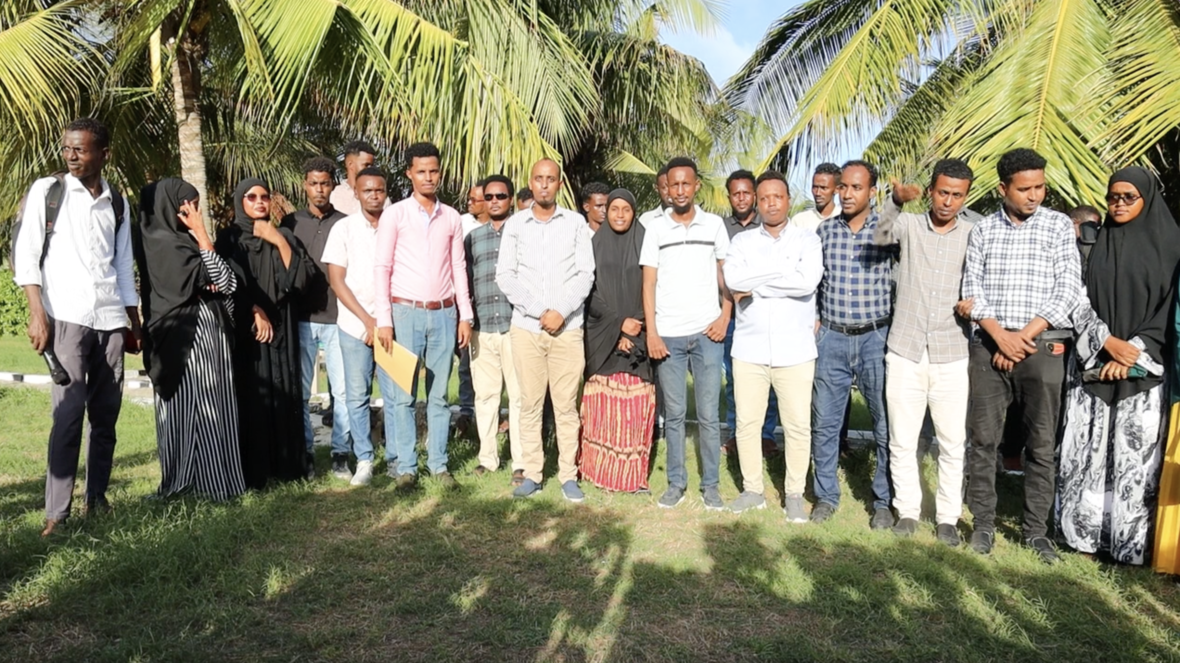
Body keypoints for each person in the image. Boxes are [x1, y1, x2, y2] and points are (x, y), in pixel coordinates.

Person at [13, 118, 141, 536]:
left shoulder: (116, 202)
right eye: (67, 148)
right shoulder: (47, 192)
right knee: (68, 415)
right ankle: (57, 513)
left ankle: (97, 500)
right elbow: (28, 255)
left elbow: (122, 266)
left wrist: (132, 321)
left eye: (80, 150)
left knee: (105, 418)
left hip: (108, 320)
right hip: (65, 317)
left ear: (104, 153)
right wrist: (37, 313)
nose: (71, 156)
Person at [960, 148, 1082, 563]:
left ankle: (1035, 531)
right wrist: (999, 337)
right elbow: (971, 292)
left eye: (1040, 187)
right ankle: (983, 526)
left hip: (1041, 348)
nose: (1035, 196)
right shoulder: (983, 231)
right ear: (1002, 189)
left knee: (1041, 444)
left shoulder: (1058, 227)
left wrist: (1021, 339)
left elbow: (1067, 290)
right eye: (1025, 188)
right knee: (983, 441)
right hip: (989, 350)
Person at [1057, 168, 1180, 565]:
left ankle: (1128, 546)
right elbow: (1075, 298)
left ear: (1147, 198)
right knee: (1088, 453)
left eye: (1129, 197)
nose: (1119, 204)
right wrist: (1105, 343)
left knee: (1133, 460)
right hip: (1094, 366)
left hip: (1143, 371)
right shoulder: (1094, 244)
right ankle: (1083, 538)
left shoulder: (1172, 246)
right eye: (1113, 197)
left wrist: (1132, 354)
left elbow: (1171, 311)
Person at [874, 159, 976, 545]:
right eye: (943, 192)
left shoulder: (973, 233)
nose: (948, 201)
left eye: (957, 195)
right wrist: (895, 202)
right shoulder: (910, 225)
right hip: (905, 348)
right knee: (903, 439)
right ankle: (908, 511)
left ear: (965, 197)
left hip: (951, 350)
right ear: (931, 191)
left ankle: (948, 516)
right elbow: (880, 236)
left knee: (951, 442)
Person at [135, 178, 246, 501]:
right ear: (172, 206)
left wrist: (204, 264)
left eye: (196, 206)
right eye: (189, 206)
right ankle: (197, 483)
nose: (193, 212)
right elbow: (224, 280)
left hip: (192, 333)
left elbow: (221, 283)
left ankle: (209, 483)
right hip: (190, 334)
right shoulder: (172, 244)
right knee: (195, 408)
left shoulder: (161, 241)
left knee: (204, 407)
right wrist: (202, 236)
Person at [723, 171, 823, 519]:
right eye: (763, 198)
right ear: (757, 201)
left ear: (788, 200)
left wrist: (759, 282)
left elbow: (807, 281)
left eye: (777, 197)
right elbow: (733, 278)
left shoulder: (807, 241)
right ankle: (753, 490)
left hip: (794, 351)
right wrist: (782, 275)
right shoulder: (743, 243)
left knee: (796, 425)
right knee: (747, 424)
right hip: (748, 350)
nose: (770, 204)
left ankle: (793, 492)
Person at [374, 142, 473, 491]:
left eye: (433, 171)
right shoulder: (395, 215)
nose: (428, 177)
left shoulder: (451, 217)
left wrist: (465, 315)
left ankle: (439, 465)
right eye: (421, 171)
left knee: (438, 396)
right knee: (402, 396)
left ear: (440, 172)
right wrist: (384, 319)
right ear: (409, 174)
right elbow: (382, 267)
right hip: (404, 314)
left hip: (444, 314)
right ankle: (406, 468)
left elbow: (459, 268)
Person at [496, 158, 595, 501]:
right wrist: (541, 312)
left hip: (568, 330)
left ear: (558, 184)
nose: (543, 185)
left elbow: (585, 274)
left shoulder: (576, 224)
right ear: (531, 181)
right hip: (526, 328)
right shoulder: (515, 225)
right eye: (538, 178)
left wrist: (561, 312)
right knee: (529, 404)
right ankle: (533, 473)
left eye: (550, 179)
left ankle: (568, 475)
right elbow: (505, 275)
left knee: (566, 406)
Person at [641, 157, 732, 510]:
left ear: (696, 187)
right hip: (670, 336)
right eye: (674, 184)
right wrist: (653, 332)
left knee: (709, 415)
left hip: (707, 334)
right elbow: (648, 283)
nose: (680, 191)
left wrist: (725, 316)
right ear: (668, 187)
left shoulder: (714, 226)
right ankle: (676, 483)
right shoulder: (656, 228)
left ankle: (711, 486)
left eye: (686, 184)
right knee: (675, 416)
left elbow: (726, 275)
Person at [811, 160, 897, 529]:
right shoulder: (824, 231)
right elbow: (815, 281)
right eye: (842, 187)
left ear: (871, 192)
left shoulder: (886, 229)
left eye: (855, 188)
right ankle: (826, 497)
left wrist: (897, 204)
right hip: (832, 337)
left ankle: (882, 501)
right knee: (826, 423)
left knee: (883, 424)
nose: (846, 194)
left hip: (875, 338)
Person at [217, 178, 312, 489]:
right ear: (239, 202)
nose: (260, 202)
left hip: (282, 323)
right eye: (251, 197)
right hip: (246, 329)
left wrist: (279, 240)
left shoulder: (282, 235)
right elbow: (227, 285)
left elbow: (297, 281)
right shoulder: (228, 239)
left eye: (265, 197)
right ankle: (254, 471)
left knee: (284, 391)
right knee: (252, 395)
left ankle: (287, 467)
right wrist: (254, 310)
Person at [322, 167, 395, 487]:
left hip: (391, 325)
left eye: (379, 190)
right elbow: (336, 280)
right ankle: (364, 458)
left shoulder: (397, 225)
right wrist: (368, 321)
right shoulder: (343, 228)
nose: (374, 195)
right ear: (356, 193)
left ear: (386, 191)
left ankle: (396, 459)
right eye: (367, 191)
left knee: (395, 395)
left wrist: (383, 321)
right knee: (356, 396)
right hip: (353, 325)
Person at [580, 188, 656, 493]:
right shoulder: (592, 246)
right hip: (601, 336)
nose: (620, 215)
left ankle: (631, 477)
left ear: (634, 212)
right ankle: (599, 472)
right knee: (603, 407)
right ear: (605, 212)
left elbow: (652, 287)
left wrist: (631, 328)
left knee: (634, 408)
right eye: (614, 209)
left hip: (639, 332)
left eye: (626, 209)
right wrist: (616, 326)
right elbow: (588, 291)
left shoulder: (646, 241)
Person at [282, 157, 350, 480]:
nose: (319, 189)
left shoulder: (347, 223)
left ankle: (340, 454)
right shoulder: (290, 223)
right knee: (301, 392)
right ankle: (306, 453)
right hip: (302, 319)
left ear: (333, 185)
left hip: (339, 318)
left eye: (325, 183)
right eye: (313, 183)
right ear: (305, 185)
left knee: (343, 390)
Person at [466, 175, 524, 482]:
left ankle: (521, 462)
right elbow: (465, 283)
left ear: (511, 199)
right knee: (485, 397)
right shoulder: (473, 239)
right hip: (483, 327)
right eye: (489, 197)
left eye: (501, 195)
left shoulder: (524, 235)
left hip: (517, 328)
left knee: (519, 397)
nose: (495, 201)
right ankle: (487, 459)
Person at [720, 169, 778, 458]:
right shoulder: (721, 228)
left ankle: (766, 435)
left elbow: (770, 273)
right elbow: (720, 273)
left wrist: (749, 285)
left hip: (763, 314)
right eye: (735, 193)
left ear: (754, 195)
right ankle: (736, 433)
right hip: (730, 318)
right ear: (729, 196)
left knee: (768, 377)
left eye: (746, 192)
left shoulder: (766, 226)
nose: (741, 198)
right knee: (735, 379)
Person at [330, 141, 389, 216]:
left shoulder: (380, 197)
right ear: (350, 164)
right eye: (366, 165)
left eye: (372, 165)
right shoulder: (335, 195)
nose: (369, 169)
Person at [790, 163, 842, 233]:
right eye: (815, 187)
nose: (818, 193)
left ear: (837, 189)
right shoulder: (799, 221)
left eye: (823, 188)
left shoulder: (845, 220)